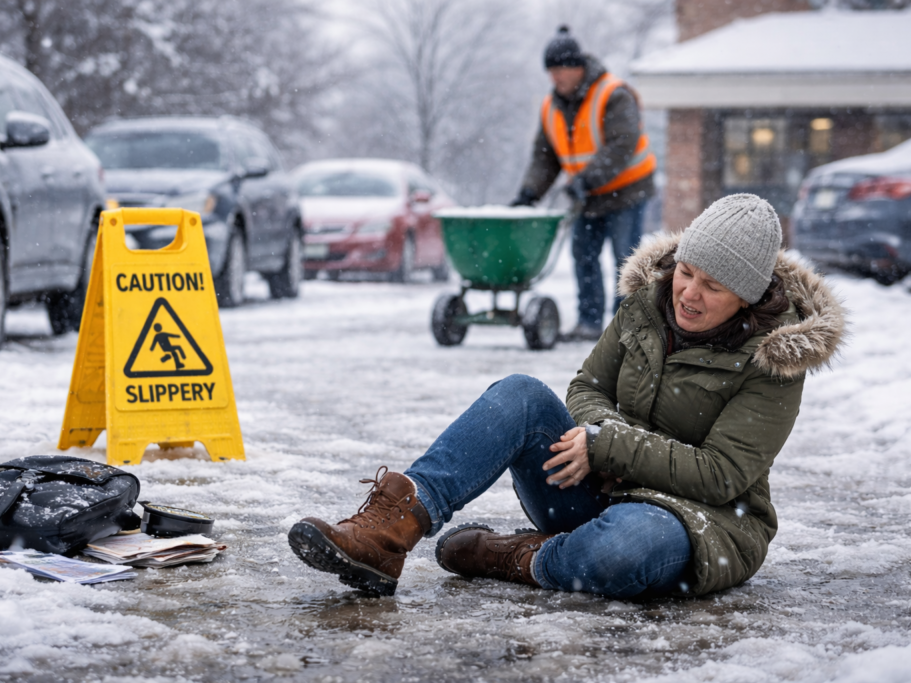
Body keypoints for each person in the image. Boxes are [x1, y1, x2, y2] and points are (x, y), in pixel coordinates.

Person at [289, 194, 845, 599]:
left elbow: (723, 474)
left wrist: (611, 445)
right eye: (686, 272)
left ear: (747, 299)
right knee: (522, 395)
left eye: (712, 287)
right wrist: (594, 437)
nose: (688, 293)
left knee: (622, 550)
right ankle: (390, 530)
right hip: (600, 486)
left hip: (698, 522)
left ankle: (520, 557)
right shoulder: (647, 306)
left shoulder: (774, 362)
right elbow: (587, 388)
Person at [511, 25, 657, 342]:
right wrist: (530, 192)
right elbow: (544, 156)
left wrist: (586, 179)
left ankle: (625, 327)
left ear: (578, 67)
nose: (555, 77)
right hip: (588, 195)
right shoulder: (551, 107)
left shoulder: (613, 94)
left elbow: (622, 144)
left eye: (561, 69)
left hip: (626, 191)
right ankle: (589, 322)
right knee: (584, 255)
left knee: (625, 260)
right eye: (551, 71)